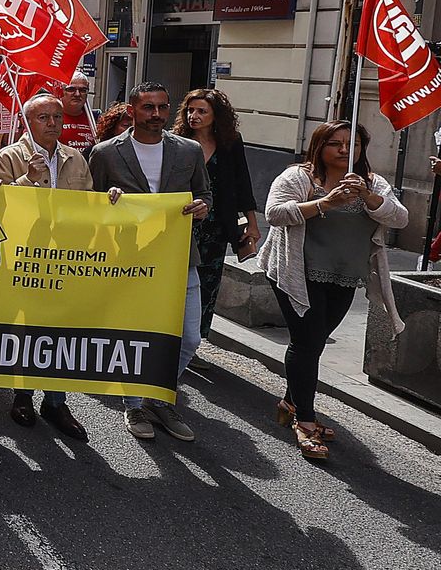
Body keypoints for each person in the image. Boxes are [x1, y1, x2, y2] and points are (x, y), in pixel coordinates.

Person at [258, 122, 407, 460]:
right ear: (319, 146)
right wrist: (326, 202)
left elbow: (399, 218)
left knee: (314, 343)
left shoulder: (371, 182)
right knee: (307, 342)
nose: (344, 150)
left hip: (343, 277)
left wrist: (368, 198)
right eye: (335, 143)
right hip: (296, 274)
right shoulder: (298, 177)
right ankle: (306, 422)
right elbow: (275, 213)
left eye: (352, 144)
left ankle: (289, 403)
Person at [90, 81, 212, 442]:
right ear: (132, 111)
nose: (156, 115)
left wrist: (204, 208)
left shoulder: (189, 151)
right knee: (137, 335)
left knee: (189, 337)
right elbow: (88, 205)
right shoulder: (106, 153)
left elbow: (204, 193)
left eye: (162, 107)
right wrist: (106, 202)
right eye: (148, 108)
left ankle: (160, 392)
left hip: (178, 257)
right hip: (130, 260)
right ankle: (135, 403)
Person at [0, 94, 92, 441]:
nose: (52, 123)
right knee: (26, 330)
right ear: (27, 122)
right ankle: (22, 394)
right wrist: (28, 179)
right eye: (43, 117)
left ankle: (56, 400)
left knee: (60, 332)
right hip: (23, 258)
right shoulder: (7, 157)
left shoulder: (76, 159)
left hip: (64, 258)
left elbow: (88, 206)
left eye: (56, 117)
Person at [174, 88, 261, 366]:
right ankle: (173, 338)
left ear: (216, 116)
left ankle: (195, 341)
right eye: (190, 110)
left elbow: (242, 184)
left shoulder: (230, 143)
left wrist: (252, 224)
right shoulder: (176, 141)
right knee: (177, 283)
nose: (194, 116)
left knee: (208, 284)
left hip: (217, 225)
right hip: (183, 221)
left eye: (201, 111)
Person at [60, 73, 96, 154]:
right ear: (61, 91)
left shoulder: (96, 119)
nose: (77, 94)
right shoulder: (51, 119)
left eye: (83, 90)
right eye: (71, 89)